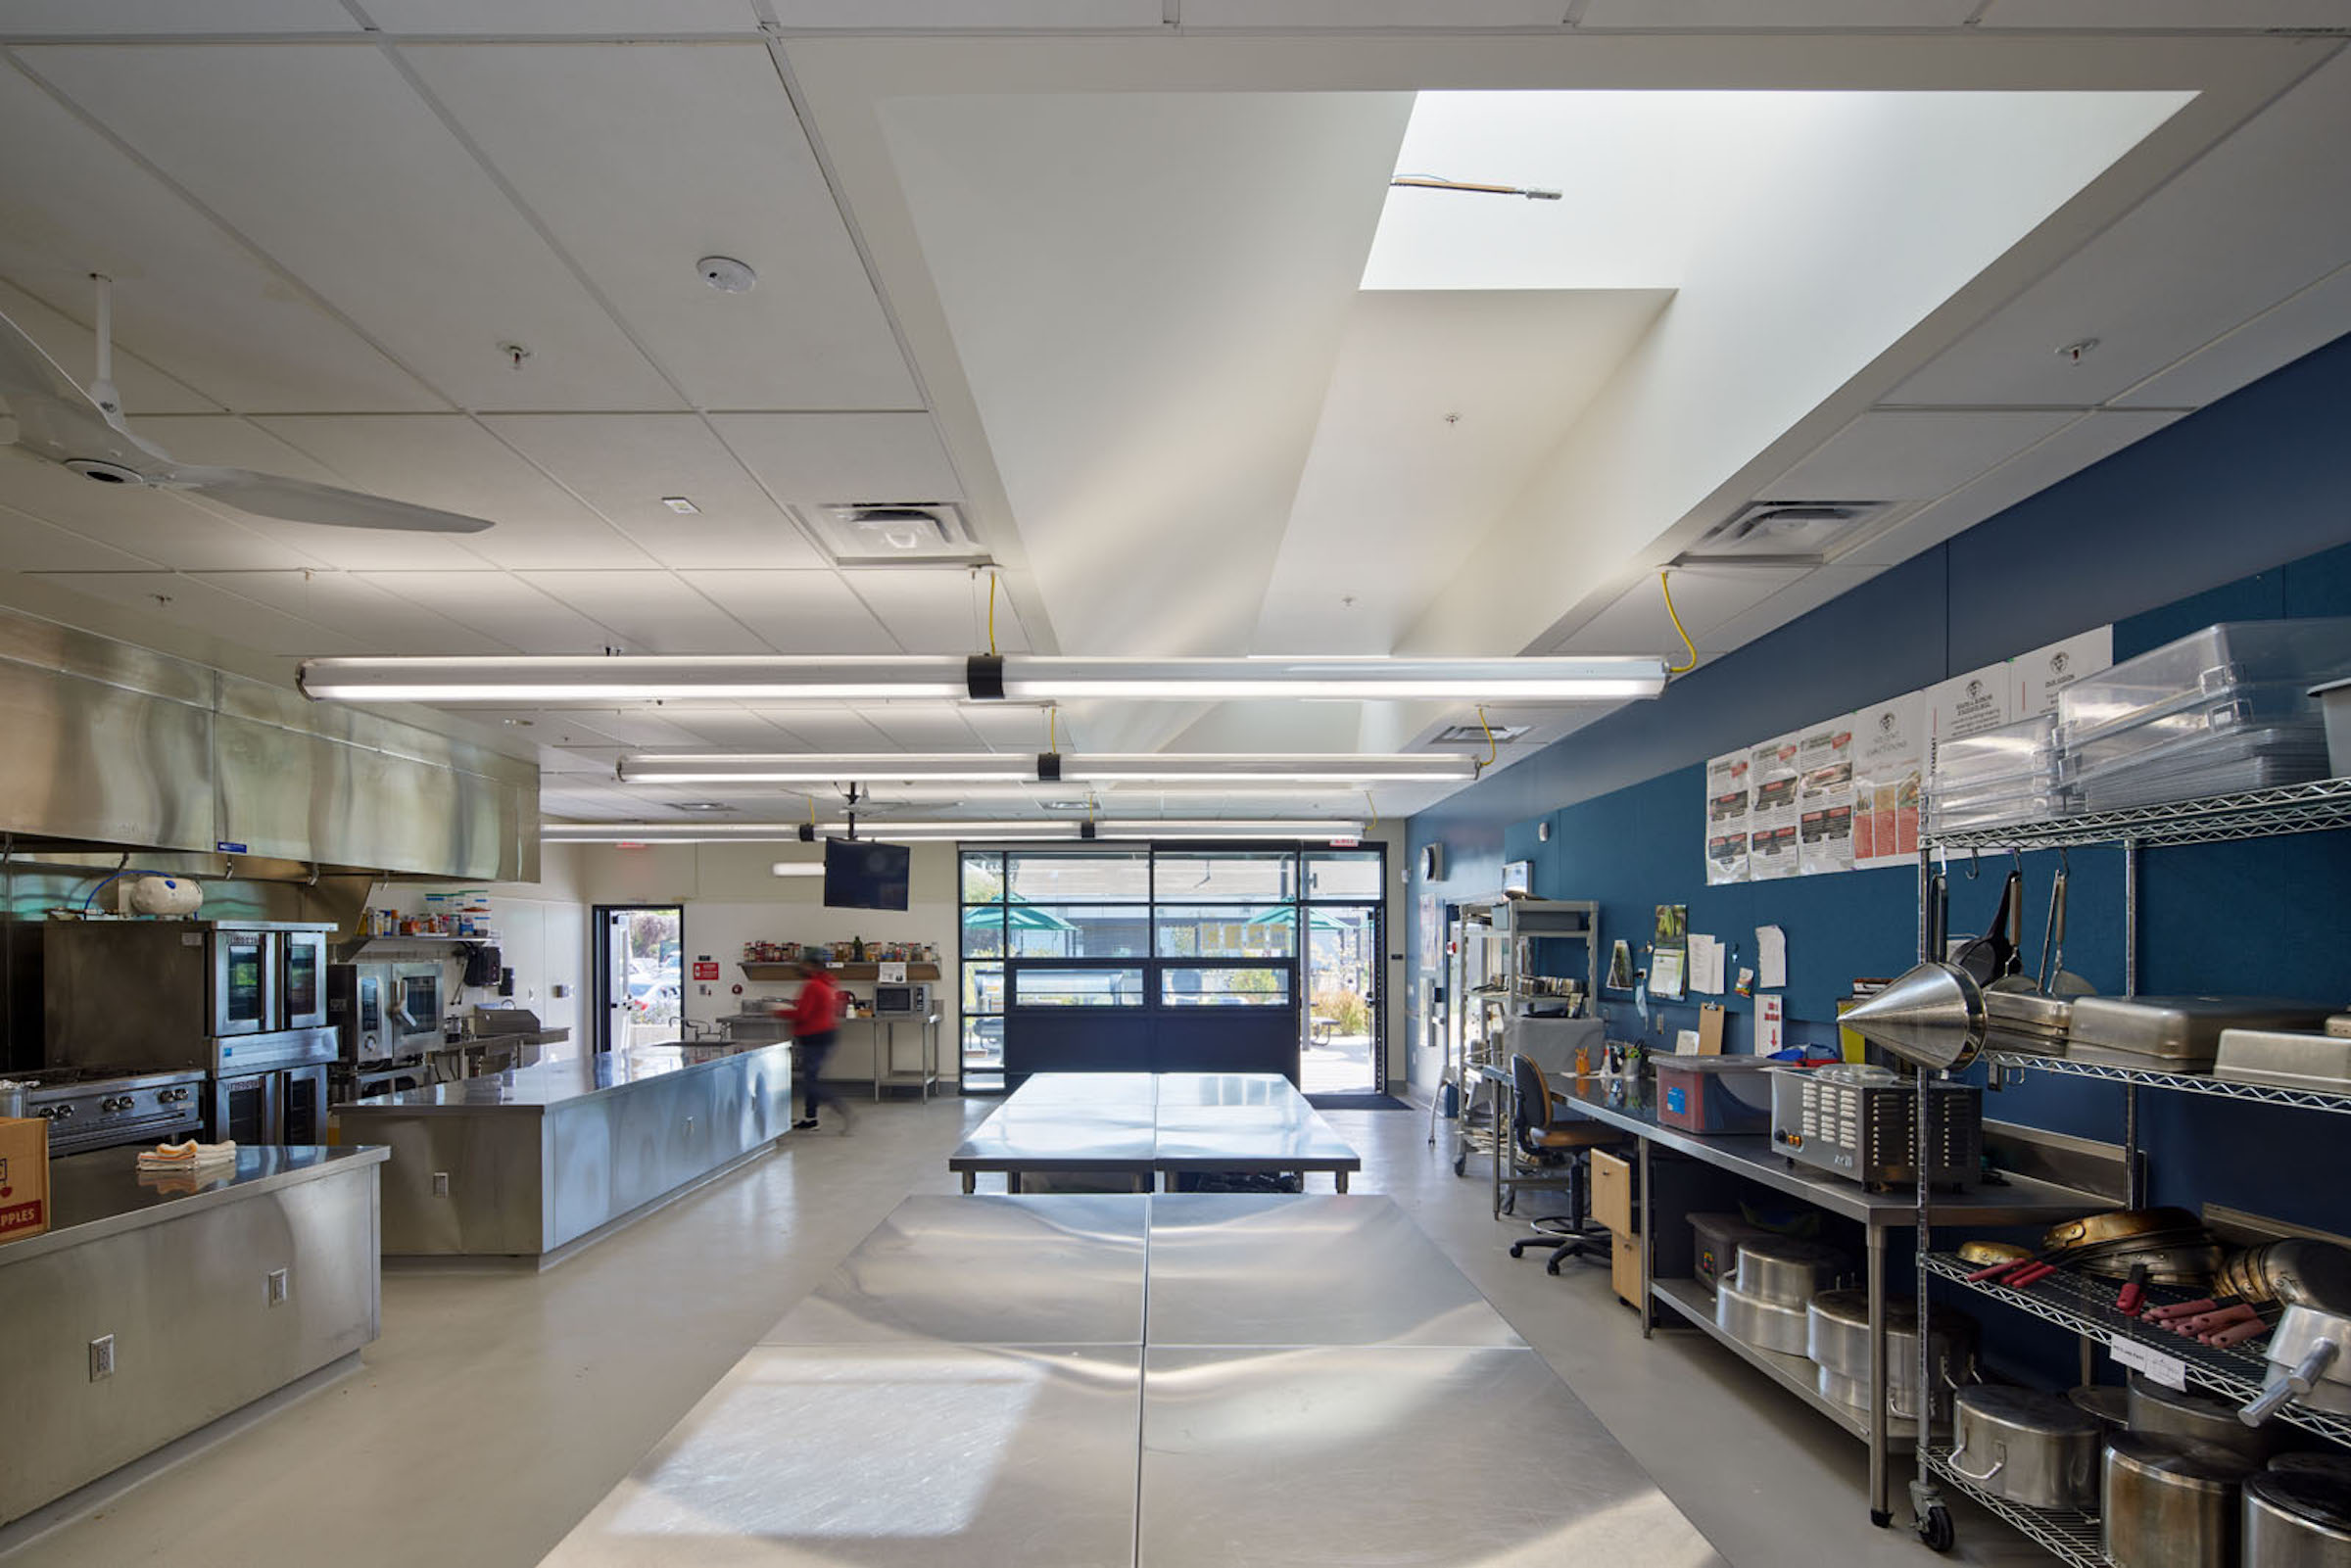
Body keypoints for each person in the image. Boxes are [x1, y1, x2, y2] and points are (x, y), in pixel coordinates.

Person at [786, 958, 851, 1132]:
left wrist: (776, 1011)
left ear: (813, 967)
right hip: (825, 1035)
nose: (800, 967)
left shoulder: (813, 985)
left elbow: (802, 1014)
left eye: (804, 964)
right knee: (811, 1078)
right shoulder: (828, 983)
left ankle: (841, 1108)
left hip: (814, 1037)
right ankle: (811, 1118)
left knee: (810, 1083)